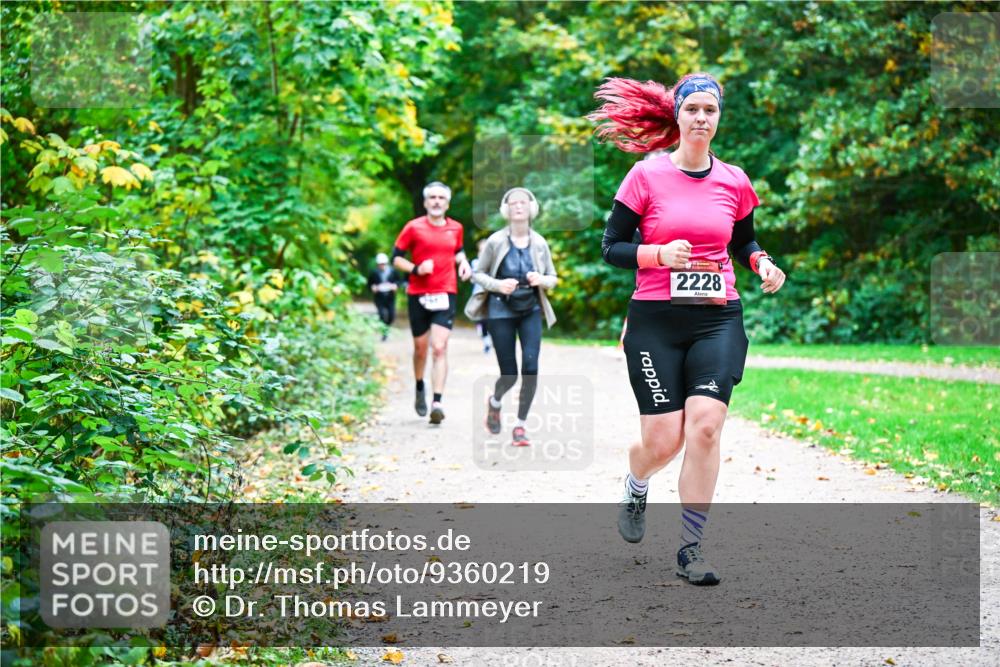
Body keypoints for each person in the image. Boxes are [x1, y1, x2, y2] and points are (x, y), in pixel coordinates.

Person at [588, 74, 786, 584]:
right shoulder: (645, 175)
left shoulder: (734, 180)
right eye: (693, 108)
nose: (702, 118)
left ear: (719, 117)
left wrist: (763, 263)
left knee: (704, 427)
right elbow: (611, 247)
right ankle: (637, 483)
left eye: (711, 110)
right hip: (655, 319)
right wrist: (657, 254)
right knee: (662, 442)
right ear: (677, 114)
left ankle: (691, 549)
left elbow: (744, 241)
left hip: (717, 317)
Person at [465, 187, 558, 448]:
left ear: (531, 208)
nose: (519, 206)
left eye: (523, 202)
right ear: (507, 210)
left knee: (530, 368)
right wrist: (497, 285)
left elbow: (553, 277)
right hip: (500, 310)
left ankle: (520, 425)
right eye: (513, 203)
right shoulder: (495, 241)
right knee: (510, 374)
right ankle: (495, 403)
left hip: (530, 309)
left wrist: (541, 279)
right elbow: (478, 274)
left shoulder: (539, 243)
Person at [392, 181, 472, 424]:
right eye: (432, 198)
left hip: (445, 292)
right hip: (418, 294)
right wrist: (416, 268)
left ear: (447, 203)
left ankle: (437, 402)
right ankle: (419, 386)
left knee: (439, 347)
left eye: (441, 198)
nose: (436, 202)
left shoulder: (456, 228)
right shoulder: (413, 228)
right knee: (421, 349)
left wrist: (464, 262)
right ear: (426, 203)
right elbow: (396, 259)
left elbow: (457, 250)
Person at [367, 252, 401, 341]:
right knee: (382, 314)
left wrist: (395, 286)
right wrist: (373, 287)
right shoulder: (374, 273)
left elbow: (399, 281)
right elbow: (369, 284)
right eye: (380, 264)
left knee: (391, 315)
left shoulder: (393, 272)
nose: (382, 266)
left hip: (390, 297)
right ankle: (384, 332)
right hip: (379, 297)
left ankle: (387, 328)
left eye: (383, 264)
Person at [469, 239, 493, 354]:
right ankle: (485, 339)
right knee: (480, 319)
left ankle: (489, 340)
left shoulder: (493, 263)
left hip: (490, 296)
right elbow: (472, 279)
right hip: (478, 295)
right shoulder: (475, 262)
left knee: (489, 319)